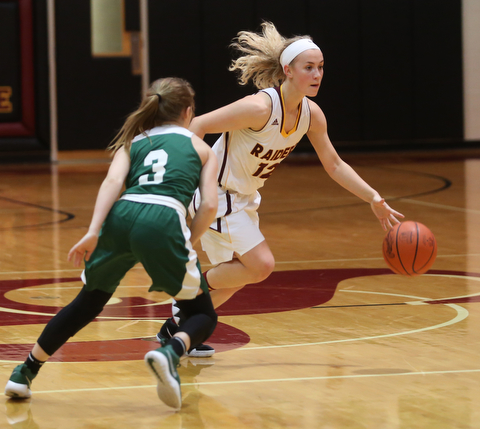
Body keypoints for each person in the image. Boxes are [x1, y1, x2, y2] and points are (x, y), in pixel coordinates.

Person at [157, 22, 405, 354]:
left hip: (244, 199)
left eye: (320, 67)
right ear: (287, 70)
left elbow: (334, 164)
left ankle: (178, 328)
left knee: (241, 276)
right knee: (261, 265)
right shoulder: (260, 108)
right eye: (309, 68)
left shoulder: (311, 116)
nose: (317, 74)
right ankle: (189, 291)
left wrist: (373, 198)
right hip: (216, 193)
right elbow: (198, 124)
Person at [4, 77, 219, 409]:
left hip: (122, 215)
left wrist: (93, 230)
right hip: (163, 219)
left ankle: (24, 373)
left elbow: (113, 181)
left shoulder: (134, 141)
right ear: (189, 112)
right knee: (201, 313)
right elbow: (207, 206)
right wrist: (189, 240)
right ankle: (171, 351)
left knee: (87, 303)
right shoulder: (201, 147)